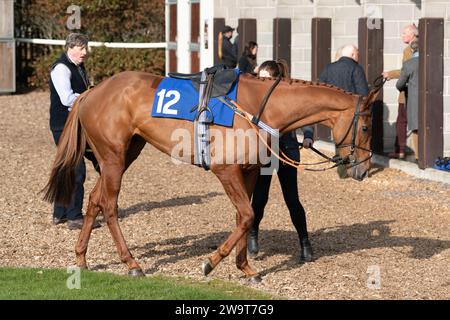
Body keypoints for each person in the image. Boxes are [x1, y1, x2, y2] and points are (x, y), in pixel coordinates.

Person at [248, 59, 314, 263]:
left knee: (292, 200)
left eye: (264, 78)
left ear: (275, 79)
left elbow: (306, 116)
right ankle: (252, 233)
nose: (260, 81)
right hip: (266, 153)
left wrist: (309, 135)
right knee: (259, 199)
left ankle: (305, 242)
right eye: (259, 78)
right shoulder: (255, 97)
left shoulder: (288, 96)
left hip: (286, 152)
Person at [49, 33, 101, 230]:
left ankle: (60, 213)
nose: (84, 52)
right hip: (63, 125)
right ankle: (74, 217)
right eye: (81, 48)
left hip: (71, 125)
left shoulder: (77, 66)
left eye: (85, 48)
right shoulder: (62, 68)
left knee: (66, 167)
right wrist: (92, 98)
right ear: (70, 48)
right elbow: (67, 98)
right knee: (76, 170)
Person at [319, 44, 369, 178]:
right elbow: (364, 94)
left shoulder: (329, 68)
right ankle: (355, 168)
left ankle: (342, 171)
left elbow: (321, 88)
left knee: (339, 140)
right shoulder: (356, 69)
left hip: (333, 113)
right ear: (353, 54)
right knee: (354, 140)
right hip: (351, 113)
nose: (358, 57)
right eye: (358, 54)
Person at [382, 24, 419, 159]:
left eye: (404, 33)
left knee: (402, 121)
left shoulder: (410, 49)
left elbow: (407, 70)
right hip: (414, 91)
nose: (402, 35)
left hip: (408, 93)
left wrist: (389, 74)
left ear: (413, 34)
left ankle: (401, 150)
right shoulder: (420, 45)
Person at [396, 39, 419, 161]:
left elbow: (399, 84)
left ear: (412, 50)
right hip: (431, 101)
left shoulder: (409, 64)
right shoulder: (432, 62)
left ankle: (418, 156)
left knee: (416, 128)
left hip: (414, 101)